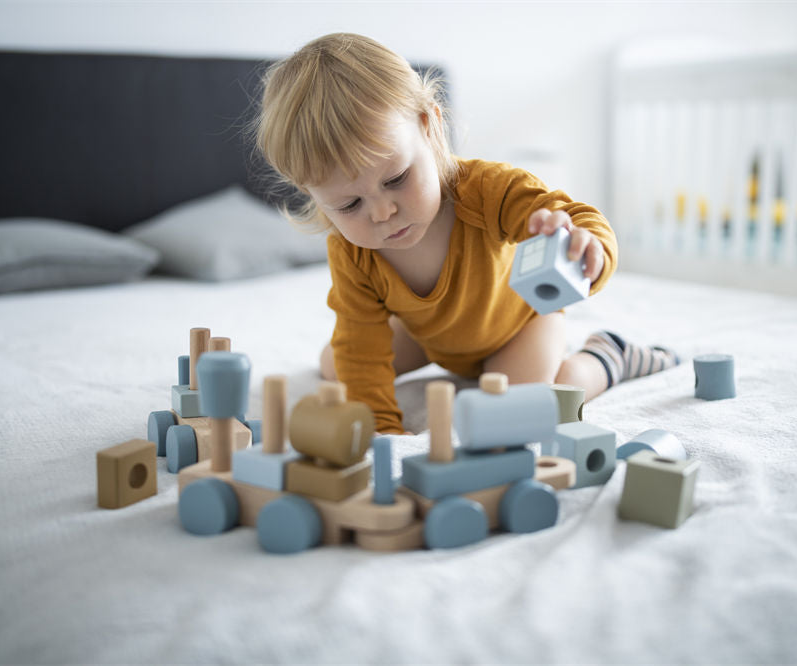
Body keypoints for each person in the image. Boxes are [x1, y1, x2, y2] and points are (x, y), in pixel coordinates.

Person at [255, 33, 677, 434]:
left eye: (397, 178)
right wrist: (383, 430)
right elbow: (361, 343)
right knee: (339, 363)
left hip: (520, 325)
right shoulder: (351, 250)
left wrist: (588, 246)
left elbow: (575, 216)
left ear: (430, 127)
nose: (383, 212)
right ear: (312, 194)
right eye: (349, 205)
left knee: (527, 409)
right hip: (430, 339)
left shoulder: (487, 189)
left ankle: (608, 355)